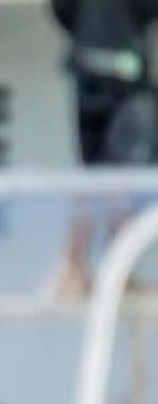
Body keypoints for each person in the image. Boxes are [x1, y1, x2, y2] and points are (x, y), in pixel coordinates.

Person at [49, 0, 158, 296]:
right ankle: (117, 273)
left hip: (85, 70)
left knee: (91, 176)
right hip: (126, 77)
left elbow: (61, 10)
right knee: (124, 178)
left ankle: (72, 270)